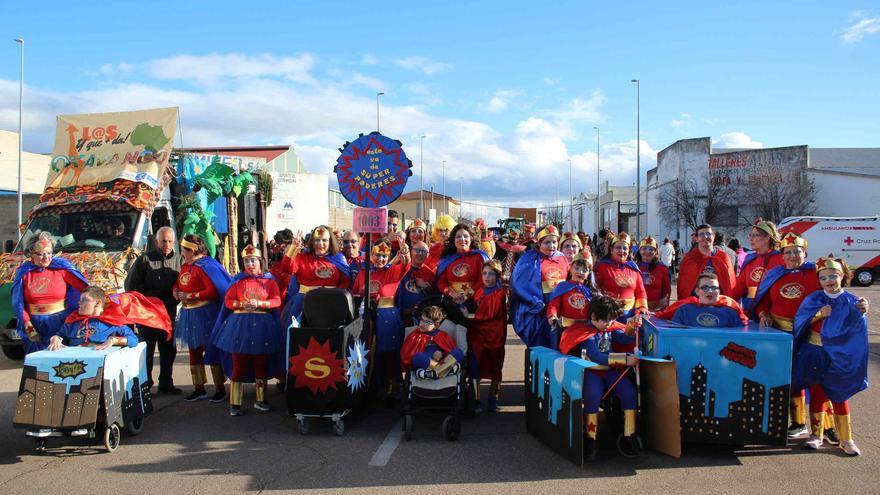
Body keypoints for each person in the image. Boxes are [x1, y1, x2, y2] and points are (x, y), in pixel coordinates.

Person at [792, 255, 868, 456]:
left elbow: (858, 328)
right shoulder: (814, 298)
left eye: (833, 276)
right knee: (817, 394)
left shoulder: (853, 301)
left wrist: (864, 310)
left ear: (842, 276)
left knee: (839, 395)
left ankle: (846, 439)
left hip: (839, 356)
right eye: (824, 277)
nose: (828, 281)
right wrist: (818, 314)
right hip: (815, 353)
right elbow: (800, 321)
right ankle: (816, 435)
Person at [558, 295, 641, 461]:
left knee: (629, 392)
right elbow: (596, 356)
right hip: (593, 372)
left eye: (611, 320)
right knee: (592, 396)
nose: (609, 324)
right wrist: (625, 359)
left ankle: (629, 434)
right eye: (606, 320)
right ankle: (591, 439)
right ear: (594, 317)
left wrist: (631, 326)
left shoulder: (608, 327)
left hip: (611, 372)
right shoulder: (585, 334)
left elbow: (624, 337)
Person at [211, 245, 283, 416]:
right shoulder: (237, 281)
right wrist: (242, 304)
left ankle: (261, 400)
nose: (250, 264)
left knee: (261, 363)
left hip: (263, 327)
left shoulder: (269, 281)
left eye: (253, 261)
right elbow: (228, 301)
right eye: (246, 261)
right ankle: (235, 403)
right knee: (239, 363)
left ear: (260, 262)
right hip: (240, 327)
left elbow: (277, 300)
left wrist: (260, 304)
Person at [174, 234, 232, 403]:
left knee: (211, 349)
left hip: (205, 314)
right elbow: (179, 283)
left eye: (184, 250)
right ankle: (199, 388)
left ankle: (220, 389)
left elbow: (213, 291)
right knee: (194, 351)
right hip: (189, 314)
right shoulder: (186, 266)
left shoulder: (205, 266)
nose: (182, 253)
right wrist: (176, 291)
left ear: (192, 250)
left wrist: (190, 295)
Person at [126, 226, 183, 394]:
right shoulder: (145, 260)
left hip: (169, 314)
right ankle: (145, 385)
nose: (167, 244)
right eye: (163, 241)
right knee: (147, 352)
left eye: (170, 241)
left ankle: (166, 384)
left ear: (174, 242)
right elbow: (130, 285)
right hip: (148, 315)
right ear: (157, 241)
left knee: (168, 351)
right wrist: (148, 299)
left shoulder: (180, 261)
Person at [353, 240, 411, 402]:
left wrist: (405, 252)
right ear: (371, 255)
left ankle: (393, 387)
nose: (381, 259)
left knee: (389, 353)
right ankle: (375, 387)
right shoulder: (362, 273)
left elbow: (406, 265)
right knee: (370, 354)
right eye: (377, 255)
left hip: (387, 317)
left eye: (384, 256)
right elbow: (356, 293)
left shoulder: (393, 271)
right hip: (366, 318)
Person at [12, 232, 88, 354]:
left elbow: (85, 290)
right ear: (31, 253)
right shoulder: (24, 272)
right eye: (41, 254)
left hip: (61, 324)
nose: (46, 257)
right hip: (36, 326)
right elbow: (18, 303)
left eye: (49, 253)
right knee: (39, 366)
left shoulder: (62, 269)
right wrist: (29, 328)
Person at [279, 225, 351, 329]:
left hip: (331, 303)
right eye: (317, 240)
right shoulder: (302, 257)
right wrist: (293, 248)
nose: (320, 244)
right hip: (304, 304)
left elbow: (345, 282)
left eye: (324, 240)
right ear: (312, 242)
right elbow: (286, 269)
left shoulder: (339, 259)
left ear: (330, 241)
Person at [510, 225, 570, 348]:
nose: (551, 246)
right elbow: (519, 285)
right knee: (541, 348)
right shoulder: (530, 259)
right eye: (546, 242)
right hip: (540, 313)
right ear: (539, 243)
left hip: (561, 312)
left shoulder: (562, 258)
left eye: (554, 242)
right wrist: (538, 305)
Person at [468, 260, 507, 412]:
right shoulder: (479, 290)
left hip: (495, 335)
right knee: (475, 365)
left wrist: (468, 315)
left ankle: (493, 398)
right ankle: (476, 400)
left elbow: (487, 313)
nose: (487, 277)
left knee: (495, 366)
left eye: (491, 274)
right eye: (484, 273)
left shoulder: (499, 293)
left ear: (497, 276)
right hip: (478, 334)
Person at [48, 287, 139, 350]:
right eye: (80, 300)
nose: (79, 303)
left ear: (98, 303)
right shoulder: (72, 322)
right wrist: (55, 338)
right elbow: (59, 335)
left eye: (84, 300)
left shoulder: (112, 322)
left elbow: (134, 340)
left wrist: (113, 340)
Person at [730, 220, 783, 316]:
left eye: (756, 235)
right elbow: (738, 288)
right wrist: (725, 303)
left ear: (767, 238)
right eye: (750, 235)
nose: (751, 239)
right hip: (750, 312)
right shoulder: (750, 259)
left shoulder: (781, 259)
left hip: (773, 314)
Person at [654, 273, 749, 327]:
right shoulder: (684, 311)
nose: (710, 291)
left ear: (719, 291)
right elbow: (675, 337)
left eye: (714, 288)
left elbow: (740, 338)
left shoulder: (730, 312)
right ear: (697, 291)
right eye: (705, 287)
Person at [594, 233, 648, 325]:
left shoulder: (634, 268)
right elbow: (595, 290)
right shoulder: (601, 267)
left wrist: (642, 307)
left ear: (629, 250)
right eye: (618, 248)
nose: (621, 251)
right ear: (611, 249)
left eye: (625, 248)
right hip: (608, 315)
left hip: (630, 316)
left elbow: (640, 291)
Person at [400, 305, 463, 379]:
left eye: (427, 322)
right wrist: (432, 355)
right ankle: (445, 371)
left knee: (458, 352)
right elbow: (407, 356)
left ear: (436, 325)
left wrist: (441, 354)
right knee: (418, 357)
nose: (422, 324)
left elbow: (450, 350)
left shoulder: (443, 335)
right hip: (426, 360)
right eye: (421, 320)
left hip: (442, 361)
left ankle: (432, 374)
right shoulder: (414, 335)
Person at [436, 224, 490, 308]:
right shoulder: (447, 258)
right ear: (453, 240)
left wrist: (467, 296)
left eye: (465, 236)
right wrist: (452, 294)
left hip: (475, 302)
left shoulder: (479, 257)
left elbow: (483, 280)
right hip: (451, 302)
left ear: (471, 239)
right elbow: (441, 282)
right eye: (458, 237)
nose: (462, 239)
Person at [677, 224, 736, 300]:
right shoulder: (690, 259)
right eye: (701, 234)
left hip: (718, 305)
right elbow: (684, 288)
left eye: (708, 233)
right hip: (695, 305)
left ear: (714, 237)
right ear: (697, 238)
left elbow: (730, 285)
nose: (705, 237)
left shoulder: (723, 257)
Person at [547, 253, 594, 338]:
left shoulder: (591, 290)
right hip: (565, 328)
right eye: (577, 268)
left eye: (584, 270)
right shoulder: (562, 286)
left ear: (589, 273)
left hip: (586, 329)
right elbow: (554, 304)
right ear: (570, 268)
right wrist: (552, 316)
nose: (580, 272)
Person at [396, 240, 436, 326]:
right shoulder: (401, 268)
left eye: (424, 252)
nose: (420, 254)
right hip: (400, 314)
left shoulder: (429, 273)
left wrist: (426, 287)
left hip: (422, 318)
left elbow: (435, 296)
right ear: (411, 251)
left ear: (428, 255)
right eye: (417, 250)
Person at [636, 236, 671, 312]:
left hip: (656, 310)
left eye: (651, 249)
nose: (647, 252)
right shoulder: (634, 267)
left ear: (655, 252)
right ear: (639, 250)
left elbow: (667, 290)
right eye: (644, 248)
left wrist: (664, 307)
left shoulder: (662, 268)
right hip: (638, 309)